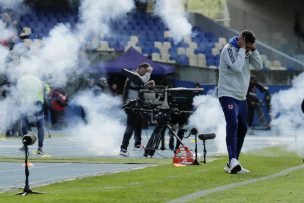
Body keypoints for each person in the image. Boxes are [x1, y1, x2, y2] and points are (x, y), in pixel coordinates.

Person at [217, 30, 263, 174]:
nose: (249, 49)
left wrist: (253, 50)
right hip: (227, 94)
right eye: (247, 46)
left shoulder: (248, 50)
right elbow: (237, 68)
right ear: (241, 39)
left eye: (251, 47)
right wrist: (243, 50)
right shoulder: (228, 49)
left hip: (241, 97)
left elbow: (259, 66)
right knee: (233, 124)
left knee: (243, 128)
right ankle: (233, 160)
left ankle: (233, 162)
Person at [120, 63, 155, 156]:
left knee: (139, 122)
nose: (146, 72)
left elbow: (141, 85)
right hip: (130, 106)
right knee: (130, 126)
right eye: (145, 70)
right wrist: (149, 73)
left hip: (135, 106)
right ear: (140, 68)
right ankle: (123, 148)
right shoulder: (133, 75)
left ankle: (137, 144)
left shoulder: (137, 76)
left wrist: (149, 84)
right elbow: (141, 81)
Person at [17, 75, 46, 154]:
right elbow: (46, 90)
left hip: (26, 103)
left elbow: (18, 92)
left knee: (24, 125)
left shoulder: (21, 79)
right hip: (38, 103)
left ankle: (25, 145)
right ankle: (40, 148)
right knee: (40, 126)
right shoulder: (39, 80)